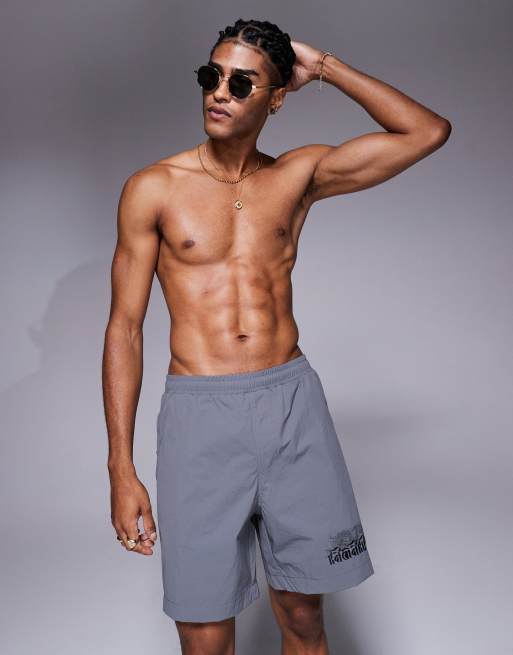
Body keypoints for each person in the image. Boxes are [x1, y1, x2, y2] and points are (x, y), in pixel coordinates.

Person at [102, 18, 451, 655]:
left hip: (292, 406)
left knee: (303, 618)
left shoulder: (298, 175)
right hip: (200, 416)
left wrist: (327, 67)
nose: (220, 92)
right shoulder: (153, 188)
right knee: (204, 637)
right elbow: (124, 329)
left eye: (241, 83)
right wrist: (120, 468)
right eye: (211, 76)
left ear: (277, 97)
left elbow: (427, 131)